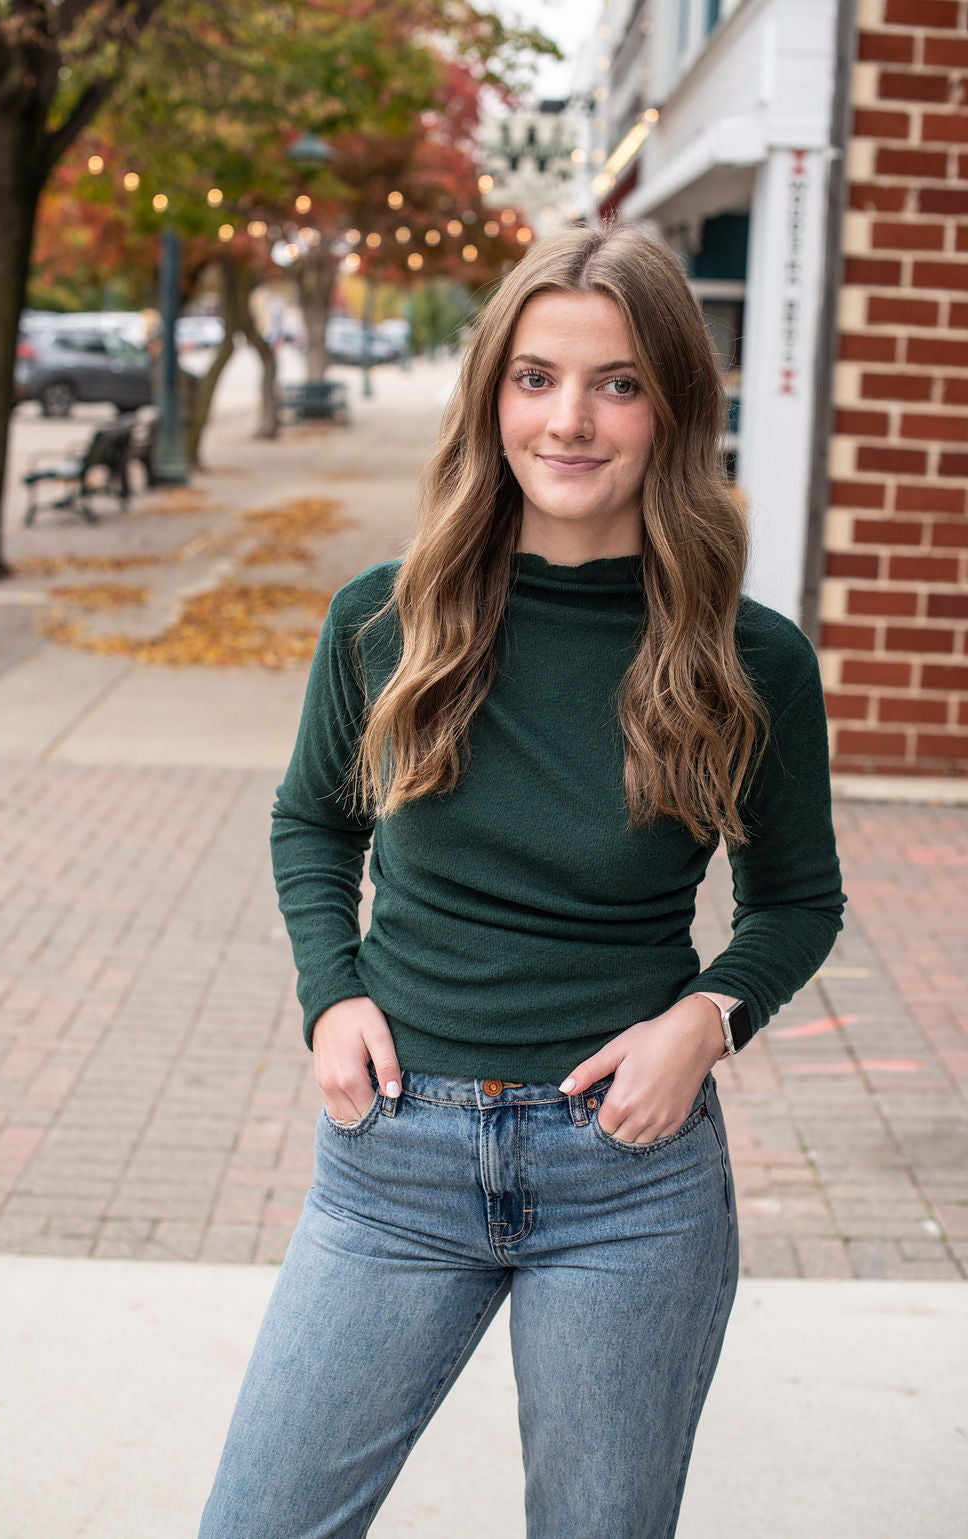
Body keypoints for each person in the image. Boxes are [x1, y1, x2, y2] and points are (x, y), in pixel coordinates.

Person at [198, 222, 845, 1539]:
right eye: (535, 377)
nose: (570, 420)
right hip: (396, 1160)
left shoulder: (744, 659)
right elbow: (313, 824)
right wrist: (331, 995)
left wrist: (703, 1025)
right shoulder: (388, 618)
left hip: (626, 1174)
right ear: (491, 393)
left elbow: (798, 898)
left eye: (618, 383)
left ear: (672, 410)